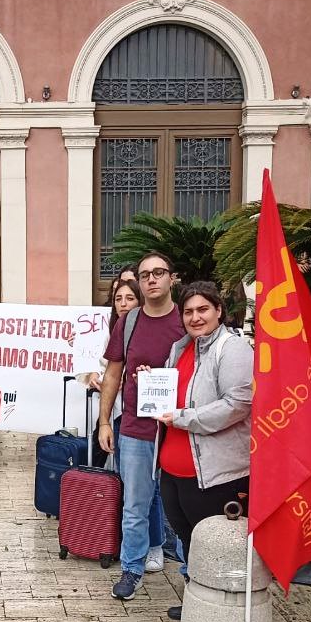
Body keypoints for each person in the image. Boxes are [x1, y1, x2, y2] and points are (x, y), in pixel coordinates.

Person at [153, 281, 253, 621]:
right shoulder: (181, 348)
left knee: (216, 545)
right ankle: (199, 600)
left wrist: (183, 418)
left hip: (214, 474)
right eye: (188, 311)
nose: (195, 317)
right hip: (174, 470)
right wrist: (153, 381)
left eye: (202, 309)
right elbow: (174, 393)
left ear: (218, 311)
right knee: (188, 541)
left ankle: (223, 613)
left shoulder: (233, 348)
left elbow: (238, 404)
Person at [97, 251, 186, 601]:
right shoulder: (129, 321)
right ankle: (131, 570)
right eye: (145, 274)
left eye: (158, 272)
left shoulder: (187, 321)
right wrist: (105, 421)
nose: (151, 279)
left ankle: (191, 577)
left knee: (182, 510)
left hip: (179, 431)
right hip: (135, 430)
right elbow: (113, 373)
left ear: (171, 278)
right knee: (134, 506)